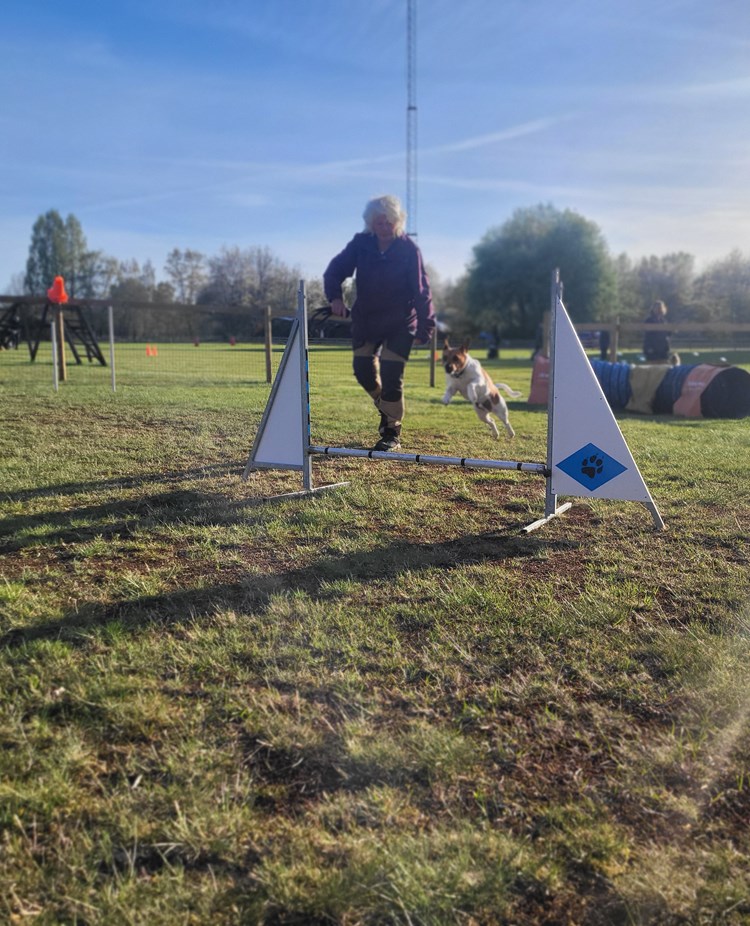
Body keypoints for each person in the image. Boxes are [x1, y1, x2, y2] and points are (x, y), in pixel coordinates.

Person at [323, 194, 435, 451]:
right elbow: (335, 271)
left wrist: (425, 326)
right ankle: (388, 408)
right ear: (370, 223)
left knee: (391, 374)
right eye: (378, 223)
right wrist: (335, 297)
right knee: (363, 371)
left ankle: (391, 433)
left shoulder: (409, 250)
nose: (384, 228)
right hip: (367, 319)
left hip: (401, 321)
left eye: (389, 223)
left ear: (398, 222)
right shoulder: (361, 244)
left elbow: (422, 290)